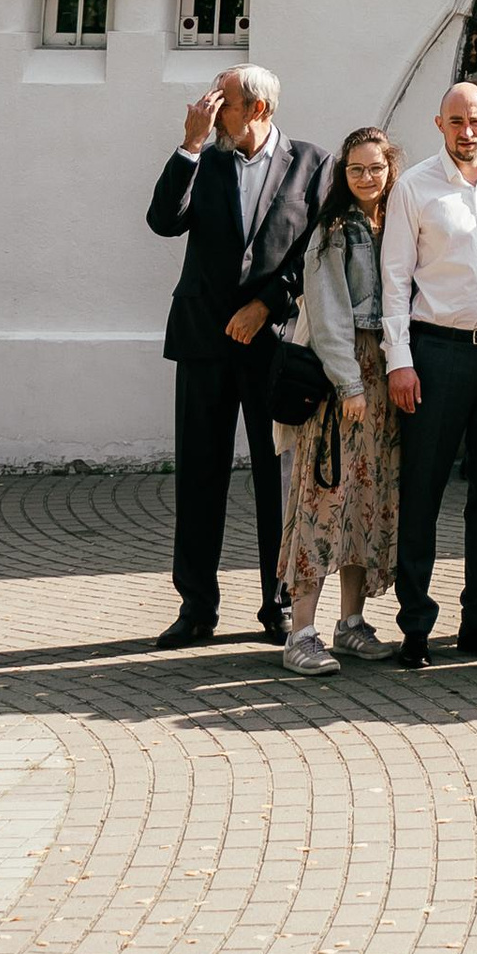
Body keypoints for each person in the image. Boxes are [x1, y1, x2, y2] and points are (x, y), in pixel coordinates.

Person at [147, 68, 326, 649]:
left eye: (220, 101)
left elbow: (312, 251)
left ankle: (277, 606)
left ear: (257, 108)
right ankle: (196, 606)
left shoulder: (310, 164)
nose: (209, 106)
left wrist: (267, 304)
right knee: (200, 473)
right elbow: (163, 222)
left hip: (270, 342)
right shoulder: (208, 157)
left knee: (276, 478)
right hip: (203, 338)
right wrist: (190, 145)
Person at [381, 78, 477, 664]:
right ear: (438, 124)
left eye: (476, 122)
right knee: (422, 490)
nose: (467, 132)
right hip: (435, 354)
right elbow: (395, 281)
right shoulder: (414, 187)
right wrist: (400, 361)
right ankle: (415, 624)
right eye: (456, 122)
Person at [279, 128, 401, 676]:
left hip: (384, 382)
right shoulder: (333, 230)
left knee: (367, 502)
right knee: (324, 495)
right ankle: (300, 631)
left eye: (375, 167)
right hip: (342, 382)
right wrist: (348, 382)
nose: (367, 178)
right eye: (356, 169)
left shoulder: (396, 225)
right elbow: (328, 312)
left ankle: (350, 624)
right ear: (342, 175)